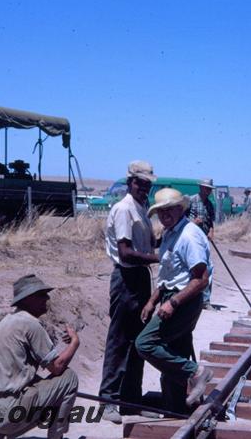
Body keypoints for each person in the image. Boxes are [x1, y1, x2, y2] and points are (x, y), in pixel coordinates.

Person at [136, 188, 214, 413]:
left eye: (170, 209)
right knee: (173, 356)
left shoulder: (189, 235)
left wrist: (173, 303)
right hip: (172, 297)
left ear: (181, 209)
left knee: (145, 343)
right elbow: (169, 274)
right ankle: (175, 410)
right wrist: (153, 300)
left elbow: (201, 279)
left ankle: (195, 373)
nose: (164, 215)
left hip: (184, 301)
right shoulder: (170, 233)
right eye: (160, 211)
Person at [0, 274, 80, 439]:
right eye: (41, 295)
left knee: (34, 386)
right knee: (69, 378)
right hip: (6, 414)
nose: (47, 298)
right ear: (28, 299)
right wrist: (74, 343)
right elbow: (57, 367)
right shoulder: (30, 324)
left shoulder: (7, 321)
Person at [98, 160, 160, 424]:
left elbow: (147, 243)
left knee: (137, 342)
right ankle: (108, 400)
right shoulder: (124, 209)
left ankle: (131, 401)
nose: (143, 188)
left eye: (147, 184)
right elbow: (125, 252)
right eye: (139, 183)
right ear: (129, 182)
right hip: (126, 278)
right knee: (120, 341)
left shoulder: (141, 208)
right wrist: (156, 258)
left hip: (140, 278)